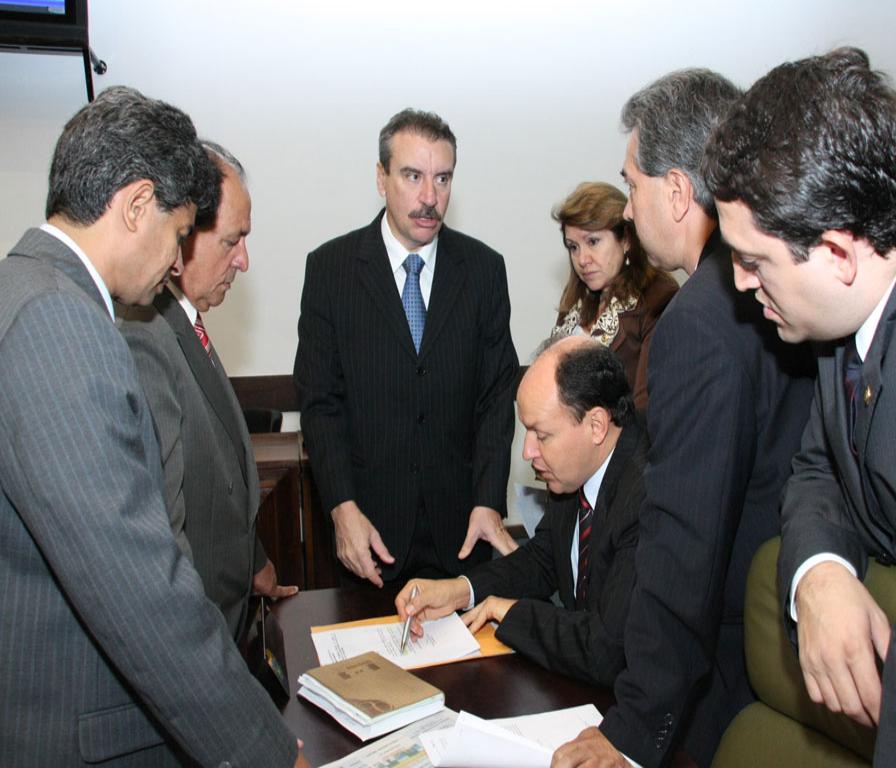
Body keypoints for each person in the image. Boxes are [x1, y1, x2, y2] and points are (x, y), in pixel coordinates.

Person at [702, 47, 896, 766]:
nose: (740, 283)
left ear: (838, 254)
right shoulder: (852, 304)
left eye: (753, 261)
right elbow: (821, 468)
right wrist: (820, 573)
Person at [0, 87, 304, 767]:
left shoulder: (21, 289)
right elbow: (139, 588)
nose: (175, 260)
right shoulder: (60, 323)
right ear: (138, 205)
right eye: (177, 232)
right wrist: (267, 753)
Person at [553, 70, 815, 768]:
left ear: (675, 190)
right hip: (785, 636)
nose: (628, 208)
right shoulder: (777, 285)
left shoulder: (697, 320)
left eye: (631, 185)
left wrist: (633, 729)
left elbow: (684, 545)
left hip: (723, 665)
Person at [294, 108, 519, 588]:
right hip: (369, 536)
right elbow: (320, 403)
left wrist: (488, 500)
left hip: (463, 535)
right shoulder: (331, 270)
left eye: (442, 179)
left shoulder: (484, 270)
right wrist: (342, 508)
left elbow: (497, 396)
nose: (429, 198)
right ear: (381, 178)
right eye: (413, 176)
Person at [119, 141, 298, 645]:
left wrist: (254, 563)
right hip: (193, 638)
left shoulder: (183, 322)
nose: (244, 260)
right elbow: (161, 529)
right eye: (231, 241)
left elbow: (217, 474)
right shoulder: (144, 336)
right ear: (181, 237)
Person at [396, 336, 648, 687]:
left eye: (541, 435)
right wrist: (460, 590)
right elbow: (544, 558)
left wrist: (510, 612)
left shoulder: (647, 494)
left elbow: (607, 649)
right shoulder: (573, 471)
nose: (528, 452)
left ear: (596, 425)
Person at [550, 181, 677, 410]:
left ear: (626, 239)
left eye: (593, 242)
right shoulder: (575, 301)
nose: (582, 259)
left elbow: (646, 406)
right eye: (573, 247)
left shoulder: (657, 297)